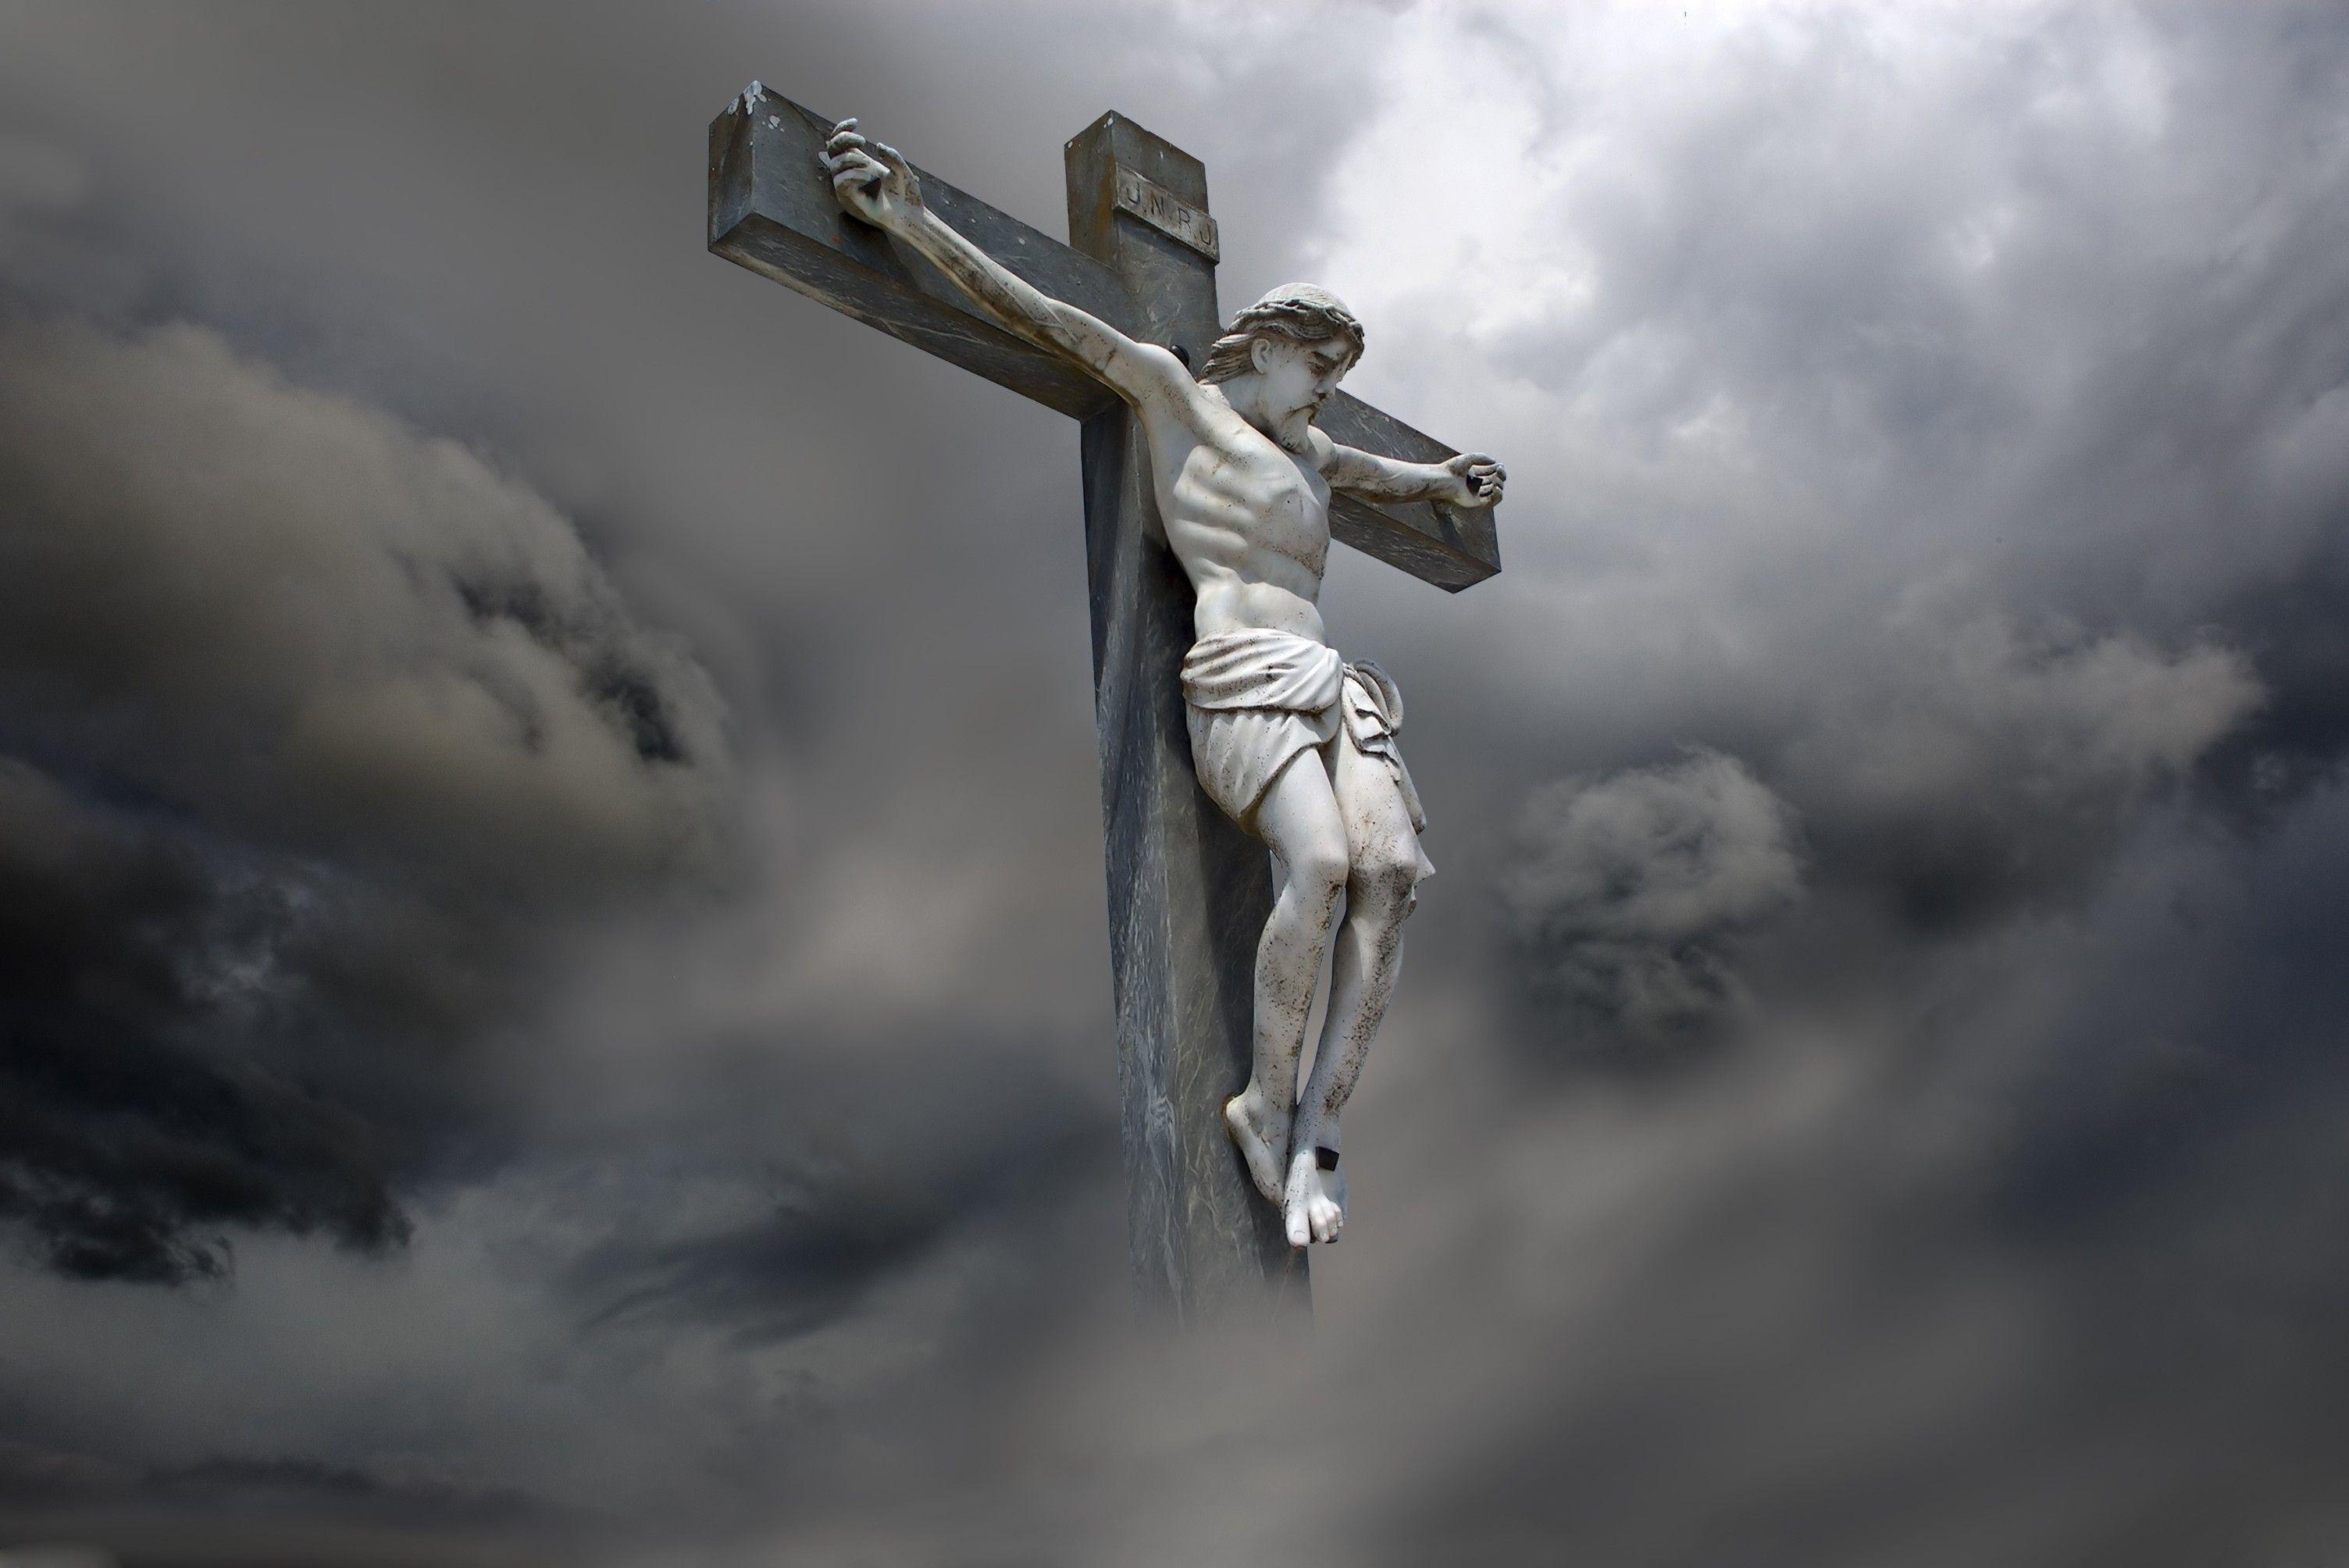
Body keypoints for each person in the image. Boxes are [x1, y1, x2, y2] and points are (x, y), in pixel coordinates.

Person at [821, 120, 1504, 1246]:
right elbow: (1052, 319)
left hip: (1332, 679)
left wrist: (1447, 482)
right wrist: (916, 222)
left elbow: (1391, 476)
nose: (1329, 391)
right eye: (1320, 367)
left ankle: (1321, 1124)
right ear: (1265, 347)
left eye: (1341, 375)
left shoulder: (1316, 456)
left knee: (1389, 880)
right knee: (1321, 865)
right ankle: (1263, 1105)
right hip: (1243, 670)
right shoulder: (1175, 399)